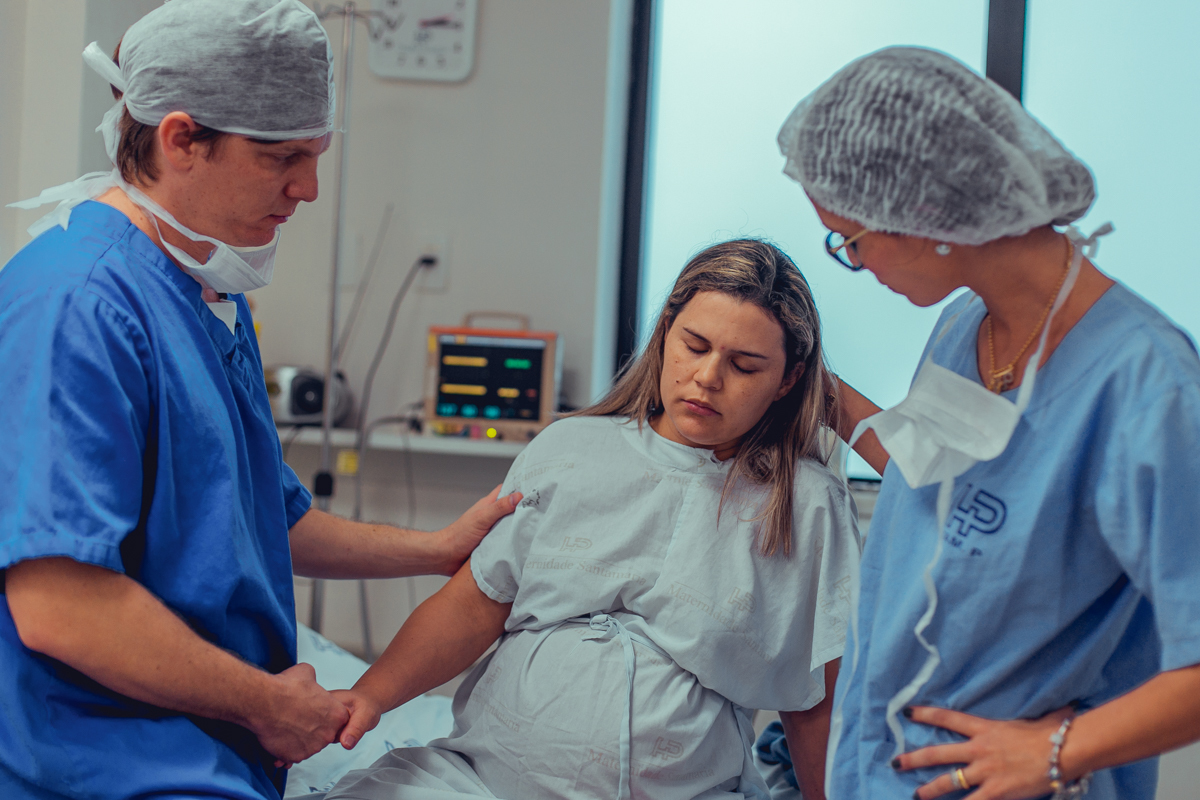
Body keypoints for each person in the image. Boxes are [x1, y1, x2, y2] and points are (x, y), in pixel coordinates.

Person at [0, 2, 516, 798]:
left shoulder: (208, 281)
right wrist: (267, 704)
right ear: (181, 140)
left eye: (316, 155)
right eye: (282, 158)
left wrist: (437, 550)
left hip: (213, 744)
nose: (308, 188)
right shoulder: (79, 305)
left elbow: (264, 518)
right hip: (105, 761)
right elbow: (61, 605)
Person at [774, 47, 1200, 799]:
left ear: (930, 216)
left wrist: (1060, 750)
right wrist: (806, 383)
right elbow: (941, 476)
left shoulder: (1148, 386)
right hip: (884, 770)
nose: (855, 261)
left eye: (851, 240)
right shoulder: (964, 327)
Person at [311, 239, 862, 800]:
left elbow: (815, 693)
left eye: (745, 365)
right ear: (665, 332)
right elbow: (475, 603)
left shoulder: (804, 505)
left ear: (789, 381)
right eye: (694, 345)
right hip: (484, 783)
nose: (707, 377)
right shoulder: (570, 448)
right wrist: (371, 696)